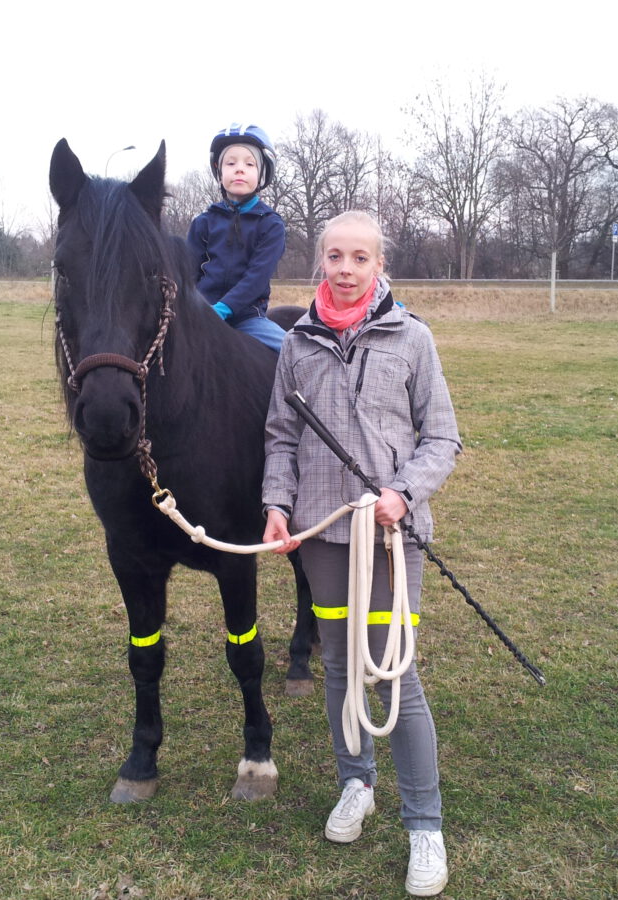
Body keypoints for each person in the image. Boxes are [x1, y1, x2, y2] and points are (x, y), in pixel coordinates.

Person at [262, 211, 462, 897]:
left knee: (395, 678)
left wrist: (404, 493)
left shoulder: (412, 339)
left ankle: (424, 826)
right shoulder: (298, 344)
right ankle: (356, 784)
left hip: (389, 540)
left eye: (360, 258)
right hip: (322, 538)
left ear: (380, 266)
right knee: (342, 670)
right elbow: (280, 438)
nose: (346, 269)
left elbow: (442, 440)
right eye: (335, 257)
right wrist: (278, 506)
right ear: (321, 262)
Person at [186, 123, 287, 352]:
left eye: (249, 164)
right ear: (218, 170)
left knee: (294, 353)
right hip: (200, 314)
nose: (239, 169)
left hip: (248, 318)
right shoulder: (203, 222)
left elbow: (256, 278)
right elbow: (187, 273)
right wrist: (195, 307)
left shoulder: (271, 225)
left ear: (262, 173)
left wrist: (224, 308)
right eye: (230, 163)